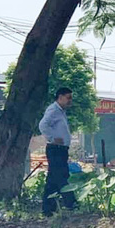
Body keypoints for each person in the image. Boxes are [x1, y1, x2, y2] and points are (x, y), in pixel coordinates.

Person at [39, 87, 77, 216]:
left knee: (53, 180)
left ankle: (48, 209)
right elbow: (43, 125)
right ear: (60, 97)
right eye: (68, 97)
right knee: (62, 176)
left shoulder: (61, 112)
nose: (70, 101)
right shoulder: (53, 110)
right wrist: (52, 138)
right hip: (56, 149)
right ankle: (71, 203)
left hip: (61, 149)